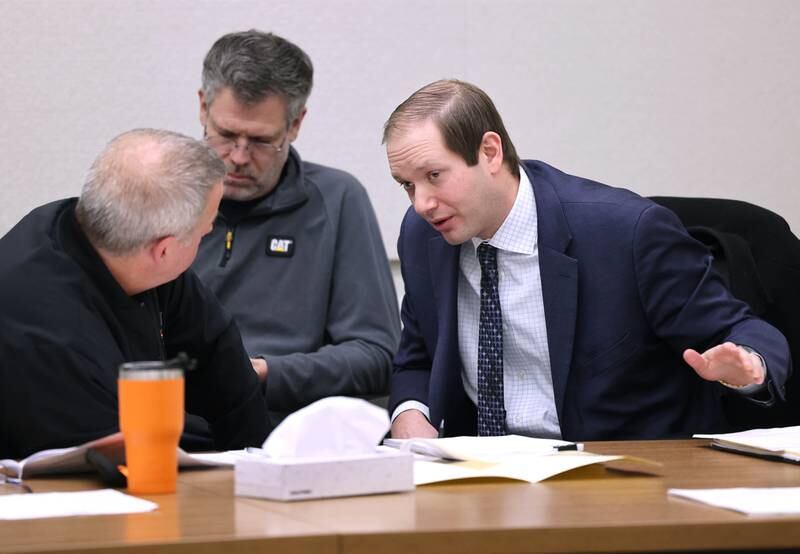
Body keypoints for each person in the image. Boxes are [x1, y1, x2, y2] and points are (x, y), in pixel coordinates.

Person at [383, 79, 791, 441]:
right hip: (481, 479)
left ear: (490, 152)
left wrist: (749, 366)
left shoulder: (627, 234)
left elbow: (742, 329)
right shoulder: (423, 237)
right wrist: (410, 413)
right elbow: (417, 358)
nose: (421, 204)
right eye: (407, 185)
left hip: (621, 478)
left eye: (434, 176)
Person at [0, 129, 270, 459]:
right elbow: (114, 459)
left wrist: (262, 466)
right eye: (206, 230)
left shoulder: (133, 251)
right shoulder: (45, 336)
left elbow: (224, 368)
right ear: (165, 250)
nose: (209, 233)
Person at [191, 30, 400, 425]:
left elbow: (378, 355)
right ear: (202, 108)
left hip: (291, 437)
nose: (237, 157)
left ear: (296, 124)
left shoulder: (338, 200)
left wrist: (266, 373)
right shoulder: (160, 197)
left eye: (260, 140)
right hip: (177, 432)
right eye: (226, 134)